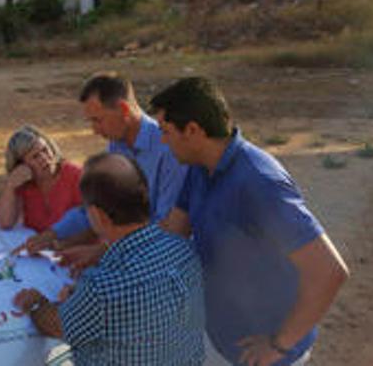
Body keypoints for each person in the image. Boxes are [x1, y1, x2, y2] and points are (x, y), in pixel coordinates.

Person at [150, 77, 349, 366]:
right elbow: (173, 232)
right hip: (216, 337)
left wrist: (279, 346)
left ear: (192, 130)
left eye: (165, 131)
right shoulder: (199, 168)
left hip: (261, 357)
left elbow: (329, 271)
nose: (162, 141)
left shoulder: (259, 183)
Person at [13, 153, 204, 366]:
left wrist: (36, 303)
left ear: (98, 215)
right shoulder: (185, 250)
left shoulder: (100, 287)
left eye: (86, 210)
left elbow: (56, 325)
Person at [21, 72, 189, 273]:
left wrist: (104, 250)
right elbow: (96, 204)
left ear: (124, 109)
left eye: (98, 120)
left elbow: (168, 226)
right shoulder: (117, 145)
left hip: (160, 267)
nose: (94, 130)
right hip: (125, 253)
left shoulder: (168, 148)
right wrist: (52, 234)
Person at [0, 125, 82, 233]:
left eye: (45, 150)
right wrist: (10, 185)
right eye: (35, 156)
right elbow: (5, 222)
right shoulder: (24, 185)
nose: (44, 158)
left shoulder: (76, 177)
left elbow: (93, 227)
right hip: (41, 247)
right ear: (21, 165)